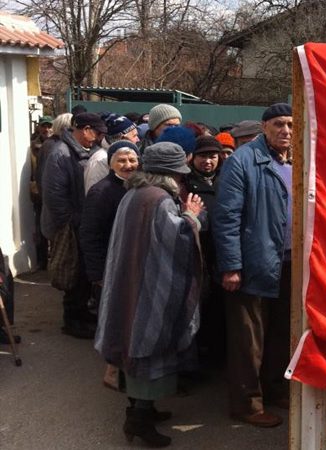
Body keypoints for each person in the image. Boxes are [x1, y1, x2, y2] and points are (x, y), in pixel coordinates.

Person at [94, 142, 204, 447]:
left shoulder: (134, 194)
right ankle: (138, 421)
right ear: (169, 176)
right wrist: (193, 217)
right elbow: (178, 240)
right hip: (149, 288)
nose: (181, 181)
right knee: (147, 349)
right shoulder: (160, 200)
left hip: (130, 283)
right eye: (179, 176)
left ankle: (143, 410)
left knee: (133, 348)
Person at [213, 103, 293, 428]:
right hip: (253, 263)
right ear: (264, 127)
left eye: (290, 124)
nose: (285, 131)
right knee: (249, 340)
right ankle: (246, 404)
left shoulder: (298, 161)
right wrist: (232, 266)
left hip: (288, 263)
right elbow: (226, 217)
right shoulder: (244, 162)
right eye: (278, 124)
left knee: (281, 334)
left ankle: (275, 389)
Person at [80, 141, 140, 390]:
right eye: (122, 160)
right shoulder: (101, 192)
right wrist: (98, 274)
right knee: (116, 322)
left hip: (128, 268)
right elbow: (89, 235)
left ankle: (117, 369)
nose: (128, 165)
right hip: (110, 268)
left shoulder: (137, 187)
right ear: (110, 163)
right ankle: (112, 372)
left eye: (132, 160)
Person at [41, 112, 106, 339]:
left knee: (82, 274)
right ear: (85, 129)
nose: (97, 138)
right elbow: (55, 197)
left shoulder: (79, 152)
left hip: (79, 223)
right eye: (96, 133)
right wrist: (73, 224)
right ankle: (72, 320)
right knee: (72, 273)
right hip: (69, 227)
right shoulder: (60, 154)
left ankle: (81, 314)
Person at [186, 136, 225, 365]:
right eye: (203, 156)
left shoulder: (226, 180)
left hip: (220, 254)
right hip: (197, 254)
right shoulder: (186, 184)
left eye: (212, 156)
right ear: (193, 158)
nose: (208, 161)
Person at [85, 114, 140, 193]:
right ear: (123, 139)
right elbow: (94, 194)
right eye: (134, 136)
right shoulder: (99, 161)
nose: (138, 139)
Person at [29, 116, 54, 270]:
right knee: (40, 228)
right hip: (39, 193)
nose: (46, 129)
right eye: (43, 126)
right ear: (39, 128)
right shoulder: (33, 147)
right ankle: (42, 261)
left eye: (49, 126)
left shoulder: (58, 145)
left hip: (53, 192)